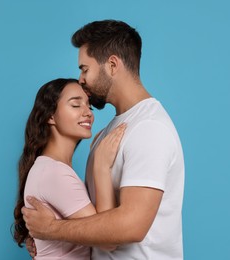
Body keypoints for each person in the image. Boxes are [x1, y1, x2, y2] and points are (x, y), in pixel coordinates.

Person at [22, 20, 185, 260]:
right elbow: (92, 217)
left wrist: (50, 230)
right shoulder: (108, 132)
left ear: (112, 65)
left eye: (85, 69)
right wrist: (49, 245)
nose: (81, 79)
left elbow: (132, 225)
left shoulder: (148, 128)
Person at [13, 78, 125, 259]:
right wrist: (102, 168)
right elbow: (107, 240)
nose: (88, 112)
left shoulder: (49, 168)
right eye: (75, 105)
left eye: (89, 106)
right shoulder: (55, 173)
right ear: (50, 116)